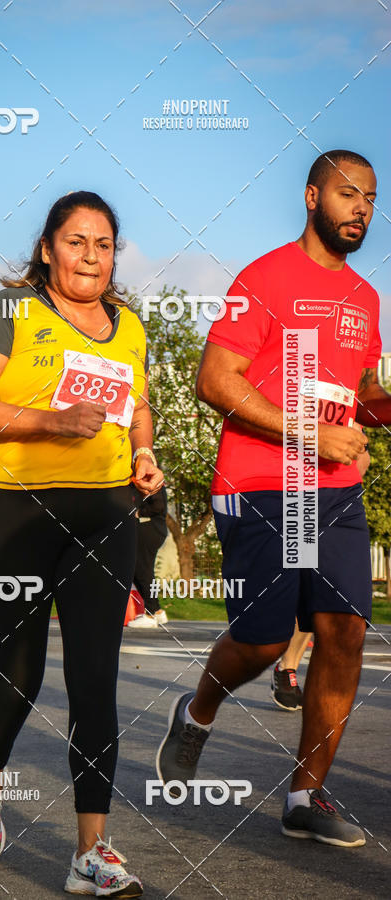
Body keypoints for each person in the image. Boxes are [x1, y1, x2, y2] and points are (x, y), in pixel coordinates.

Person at [156, 150, 389, 847]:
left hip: (337, 491)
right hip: (262, 481)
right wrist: (309, 434)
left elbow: (365, 394)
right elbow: (215, 379)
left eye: (372, 200)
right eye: (349, 194)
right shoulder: (264, 278)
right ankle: (196, 712)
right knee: (261, 641)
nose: (362, 210)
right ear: (313, 195)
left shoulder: (366, 299)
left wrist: (380, 410)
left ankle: (305, 797)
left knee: (344, 631)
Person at [0, 191, 163, 896]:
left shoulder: (128, 325)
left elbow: (137, 403)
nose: (90, 256)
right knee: (19, 674)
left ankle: (91, 853)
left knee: (96, 679)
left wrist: (142, 451)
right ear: (47, 248)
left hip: (105, 513)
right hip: (13, 511)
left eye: (103, 245)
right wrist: (51, 420)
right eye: (76, 242)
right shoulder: (9, 311)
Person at [270, 443, 371, 711]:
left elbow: (363, 455)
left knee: (324, 598)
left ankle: (288, 667)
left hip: (336, 502)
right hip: (294, 498)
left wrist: (343, 487)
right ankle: (284, 664)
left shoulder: (349, 404)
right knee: (298, 592)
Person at [127, 484, 169, 628]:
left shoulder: (148, 476)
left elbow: (159, 506)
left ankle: (150, 614)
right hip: (147, 528)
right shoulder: (136, 479)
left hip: (150, 528)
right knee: (137, 570)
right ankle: (156, 611)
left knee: (143, 570)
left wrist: (138, 512)